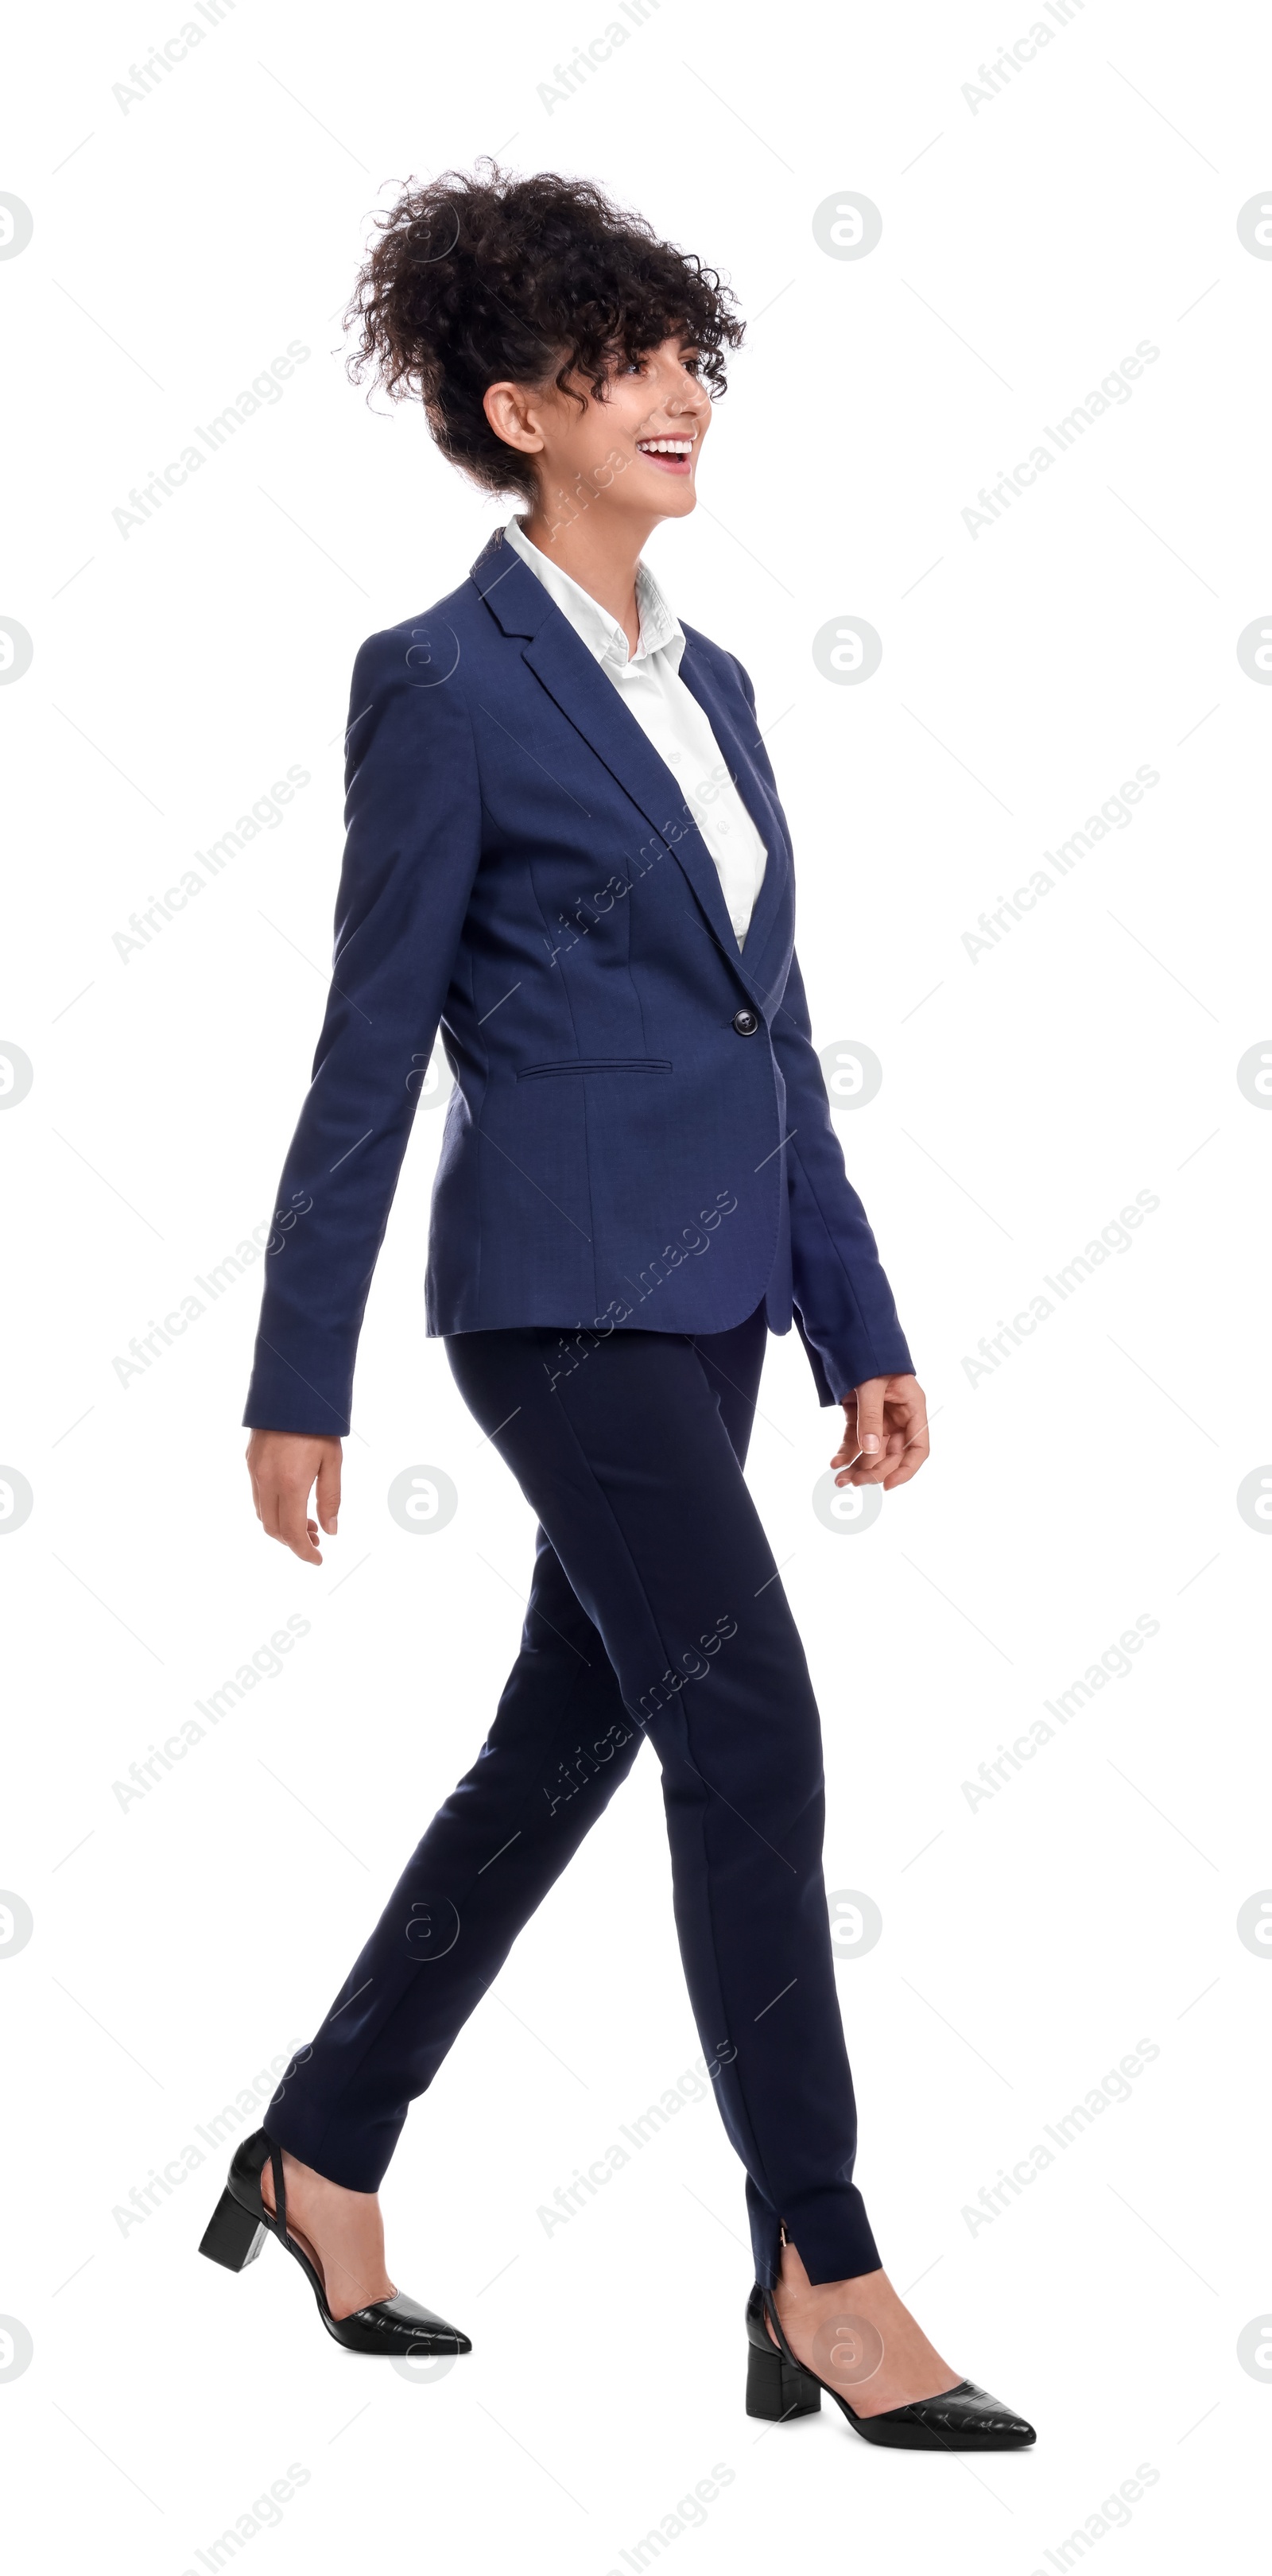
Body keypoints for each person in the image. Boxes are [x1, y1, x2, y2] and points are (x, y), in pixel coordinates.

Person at [198, 163, 1034, 2453]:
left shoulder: (722, 683)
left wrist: (858, 1317)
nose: (680, 391)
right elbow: (370, 1048)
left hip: (726, 1303)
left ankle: (323, 2150)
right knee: (750, 1723)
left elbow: (774, 1027)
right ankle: (822, 2266)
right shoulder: (443, 685)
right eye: (624, 360)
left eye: (691, 355)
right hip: (554, 1299)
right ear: (512, 404)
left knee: (569, 1745)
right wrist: (299, 1379)